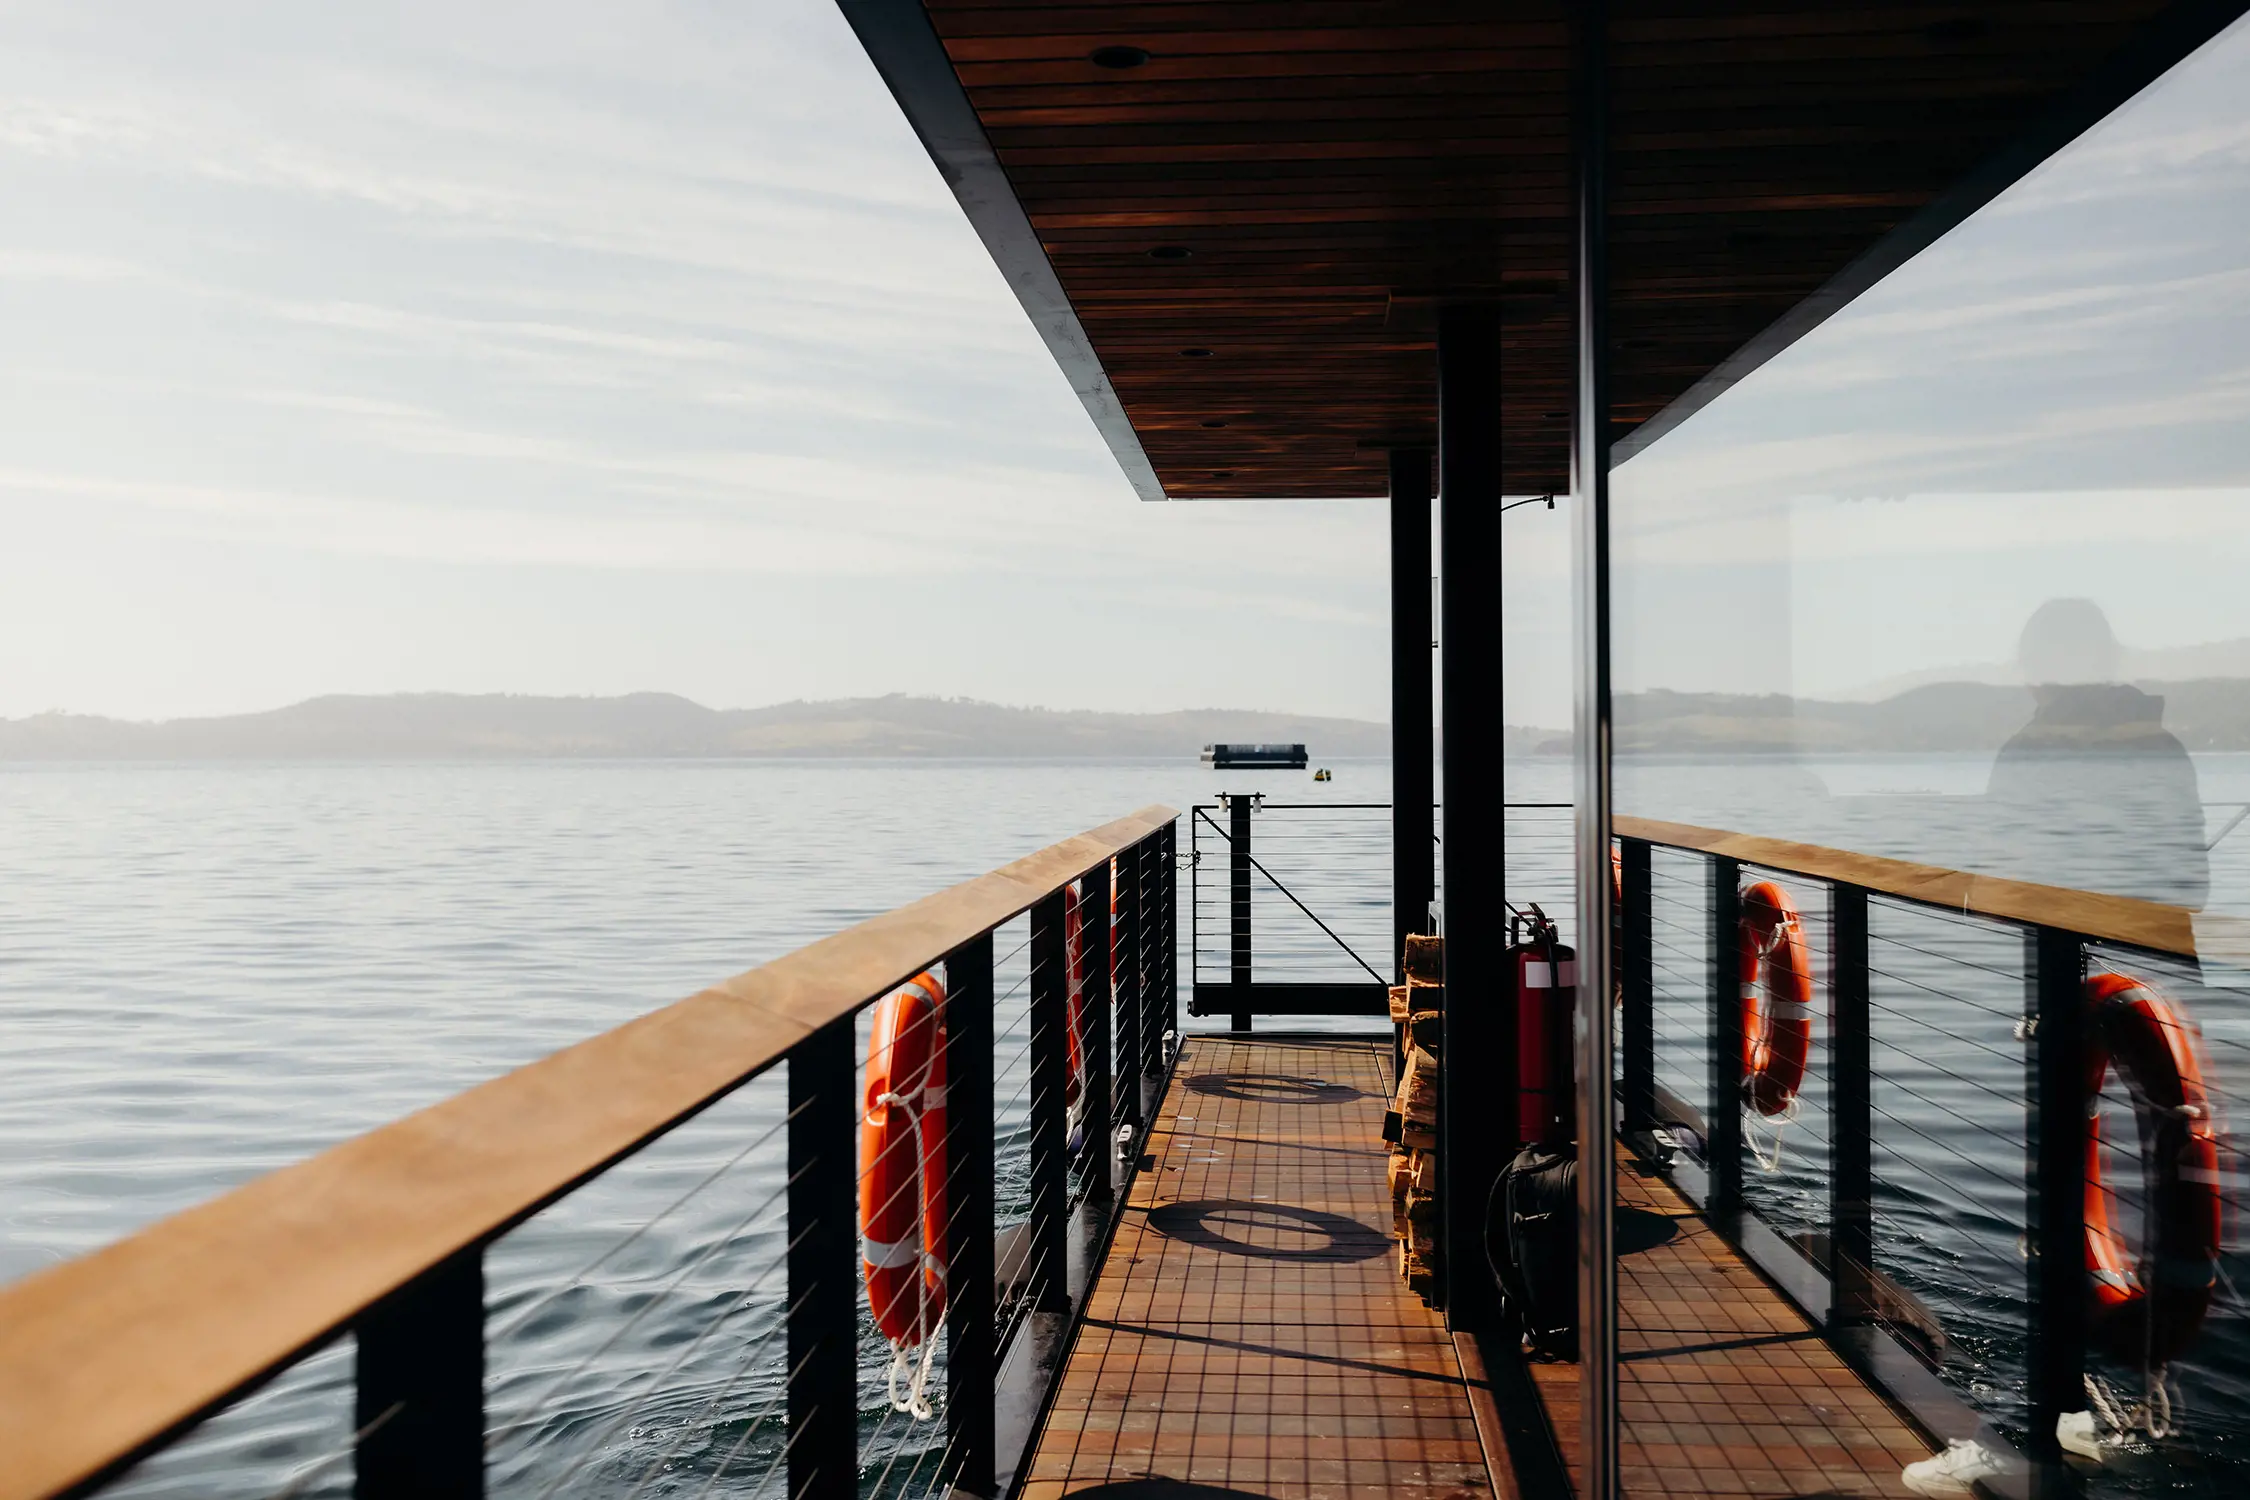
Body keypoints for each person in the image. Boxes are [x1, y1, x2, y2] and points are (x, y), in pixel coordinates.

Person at [1979, 598, 2206, 910]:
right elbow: (2193, 891)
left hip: (2061, 954)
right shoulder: (2162, 748)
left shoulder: (2026, 755)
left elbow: (1997, 894)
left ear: (2036, 668)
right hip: (2158, 954)